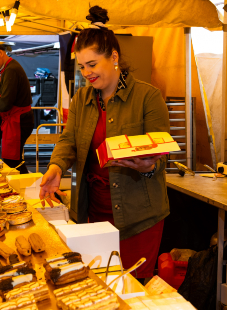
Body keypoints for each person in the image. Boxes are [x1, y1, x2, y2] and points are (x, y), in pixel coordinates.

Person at [39, 6, 170, 281]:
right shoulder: (82, 99)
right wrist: (56, 167)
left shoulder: (148, 97)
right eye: (82, 66)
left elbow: (161, 152)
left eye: (92, 64)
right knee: (100, 280)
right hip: (95, 212)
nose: (86, 73)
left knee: (133, 285)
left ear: (114, 57)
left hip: (138, 217)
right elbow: (69, 140)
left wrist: (146, 165)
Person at [0, 44, 34, 174]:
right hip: (16, 119)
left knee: (12, 160)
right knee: (13, 158)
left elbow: (6, 102)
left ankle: (23, 186)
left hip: (19, 120)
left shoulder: (11, 69)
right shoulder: (8, 68)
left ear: (0, 52)